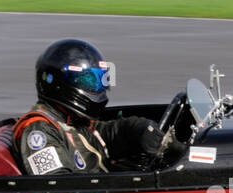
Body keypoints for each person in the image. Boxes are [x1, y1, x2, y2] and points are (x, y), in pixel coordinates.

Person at [13, 39, 178, 175]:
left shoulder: (71, 121)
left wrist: (137, 129)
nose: (96, 87)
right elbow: (56, 185)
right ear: (58, 83)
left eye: (99, 79)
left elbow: (103, 134)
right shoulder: (39, 129)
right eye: (88, 80)